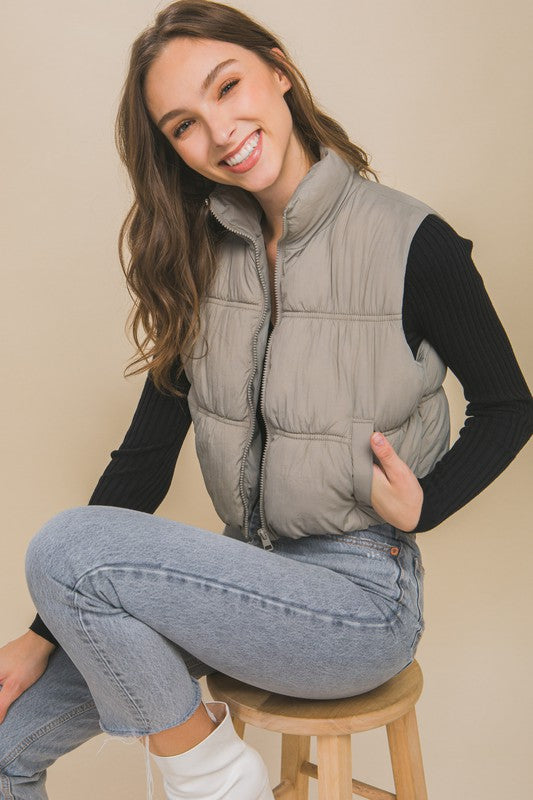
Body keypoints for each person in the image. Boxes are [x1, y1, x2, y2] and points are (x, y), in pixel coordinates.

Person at [1, 1, 532, 798]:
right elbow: (143, 462)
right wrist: (42, 634)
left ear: (278, 71)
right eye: (182, 124)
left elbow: (507, 405)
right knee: (5, 741)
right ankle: (205, 766)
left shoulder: (408, 242)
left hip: (356, 602)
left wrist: (424, 505)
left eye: (228, 87)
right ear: (172, 149)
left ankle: (207, 775)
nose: (216, 132)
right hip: (237, 581)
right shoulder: (197, 260)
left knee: (61, 546)